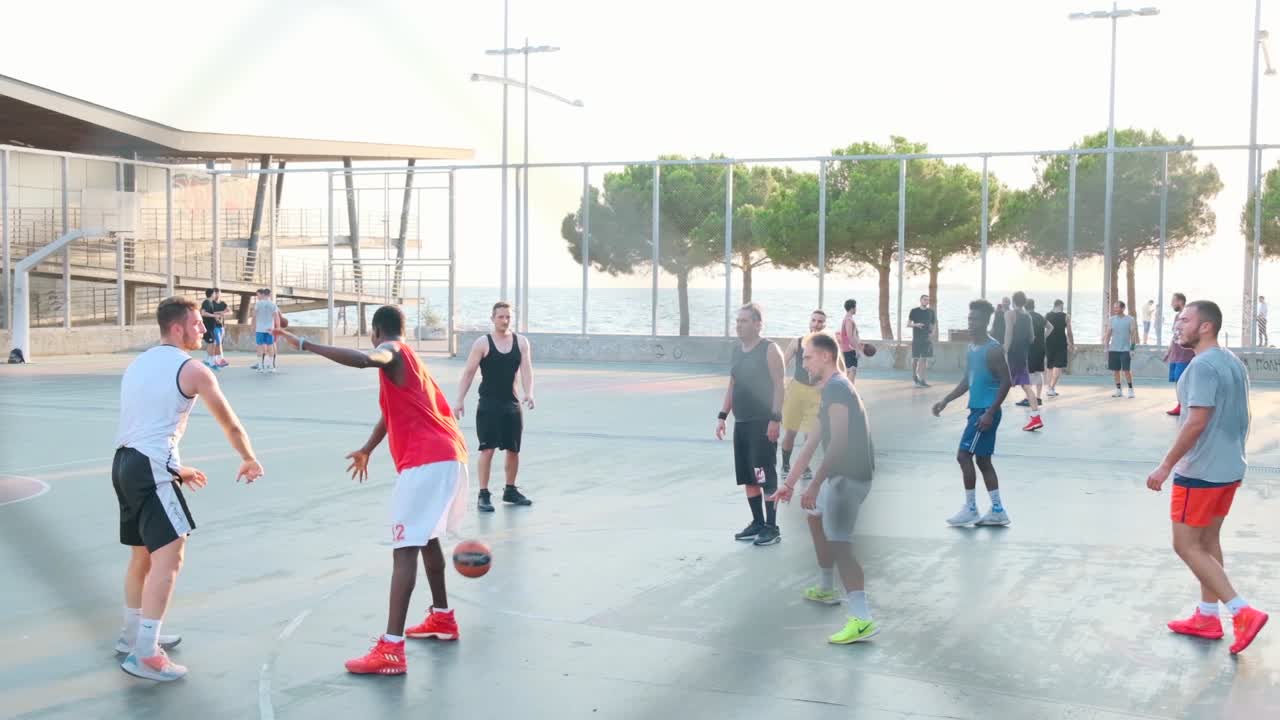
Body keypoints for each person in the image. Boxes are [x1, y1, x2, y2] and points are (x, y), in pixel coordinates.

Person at [275, 306, 470, 675]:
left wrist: (304, 343)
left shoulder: (392, 351)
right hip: (447, 456)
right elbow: (389, 416)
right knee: (426, 538)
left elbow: (369, 359)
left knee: (404, 550)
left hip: (427, 461)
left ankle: (391, 649)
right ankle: (442, 618)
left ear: (376, 331)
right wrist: (367, 448)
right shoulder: (411, 366)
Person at [114, 297, 263, 681]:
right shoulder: (194, 369)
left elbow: (142, 427)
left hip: (126, 464)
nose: (203, 329)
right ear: (177, 328)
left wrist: (176, 468)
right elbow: (229, 422)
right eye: (197, 324)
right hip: (150, 467)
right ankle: (146, 654)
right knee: (171, 556)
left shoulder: (138, 364)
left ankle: (134, 636)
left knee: (143, 557)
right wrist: (248, 457)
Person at [1145, 300, 1268, 655]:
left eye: (1184, 319)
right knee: (1208, 542)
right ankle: (1207, 615)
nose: (1177, 324)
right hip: (1229, 469)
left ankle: (1241, 611)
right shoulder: (1231, 361)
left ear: (1205, 327)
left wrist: (1166, 465)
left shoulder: (1201, 367)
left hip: (1200, 471)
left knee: (1185, 544)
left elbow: (1196, 421)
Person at [770, 332, 878, 645]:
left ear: (826, 357)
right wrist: (789, 485)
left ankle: (862, 619)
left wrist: (814, 485)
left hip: (849, 478)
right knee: (815, 518)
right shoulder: (829, 389)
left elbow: (840, 442)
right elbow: (815, 439)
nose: (802, 363)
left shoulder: (838, 389)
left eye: (807, 357)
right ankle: (827, 586)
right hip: (840, 477)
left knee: (842, 545)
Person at [932, 299, 1013, 527]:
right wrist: (946, 400)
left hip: (985, 413)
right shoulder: (971, 348)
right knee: (983, 460)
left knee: (963, 456)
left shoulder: (993, 349)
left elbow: (1008, 381)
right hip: (976, 410)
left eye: (975, 319)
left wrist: (990, 412)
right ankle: (997, 509)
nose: (971, 323)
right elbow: (968, 381)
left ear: (985, 321)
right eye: (969, 318)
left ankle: (971, 508)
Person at [717, 303, 786, 547]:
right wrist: (723, 415)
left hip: (762, 424)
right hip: (742, 423)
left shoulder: (769, 350)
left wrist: (775, 419)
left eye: (744, 321)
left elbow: (780, 386)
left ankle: (772, 526)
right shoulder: (737, 351)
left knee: (764, 475)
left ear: (758, 324)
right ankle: (757, 522)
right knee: (748, 476)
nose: (739, 325)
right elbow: (732, 385)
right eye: (737, 321)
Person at [455, 301, 534, 511]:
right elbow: (469, 372)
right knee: (487, 450)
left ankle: (510, 490)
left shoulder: (522, 342)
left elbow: (526, 370)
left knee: (513, 450)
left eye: (508, 317)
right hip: (489, 405)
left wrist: (529, 392)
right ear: (493, 319)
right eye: (501, 317)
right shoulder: (483, 343)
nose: (505, 320)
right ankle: (483, 494)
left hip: (512, 404)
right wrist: (460, 400)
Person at [781, 310, 828, 481]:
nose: (816, 324)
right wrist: (780, 383)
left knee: (810, 434)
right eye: (814, 320)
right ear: (809, 322)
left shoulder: (828, 347)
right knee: (791, 432)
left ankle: (803, 465)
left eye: (820, 321)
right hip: (796, 391)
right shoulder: (797, 342)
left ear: (825, 325)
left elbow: (836, 370)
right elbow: (782, 364)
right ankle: (785, 464)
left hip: (816, 393)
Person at [1002, 292, 1043, 431]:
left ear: (1013, 301)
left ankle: (987, 414)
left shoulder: (1009, 314)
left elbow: (1008, 333)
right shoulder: (1028, 317)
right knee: (1026, 387)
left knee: (999, 383)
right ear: (1024, 303)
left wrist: (1005, 351)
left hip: (1012, 355)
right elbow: (1032, 338)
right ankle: (1036, 418)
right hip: (1023, 356)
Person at [1164, 293, 1194, 416]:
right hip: (1176, 354)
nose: (1171, 304)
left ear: (1180, 302)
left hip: (1185, 355)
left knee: (1183, 381)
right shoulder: (1177, 316)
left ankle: (1186, 406)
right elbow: (1175, 335)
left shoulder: (1189, 317)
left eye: (1173, 301)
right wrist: (1169, 351)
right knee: (1177, 381)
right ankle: (1180, 405)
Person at [1103, 301, 1139, 398]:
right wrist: (1106, 348)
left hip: (1125, 350)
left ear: (1123, 308)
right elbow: (1108, 334)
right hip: (1113, 349)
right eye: (1114, 307)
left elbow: (1133, 334)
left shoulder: (1130, 319)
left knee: (1126, 370)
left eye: (1117, 307)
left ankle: (1131, 390)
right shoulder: (1112, 319)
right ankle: (1118, 390)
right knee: (1115, 370)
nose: (1115, 309)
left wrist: (1132, 349)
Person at [1019, 298, 1047, 406]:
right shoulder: (1040, 316)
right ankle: (1038, 397)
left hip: (1029, 348)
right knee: (1038, 372)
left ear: (1025, 307)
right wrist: (1042, 338)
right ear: (1034, 306)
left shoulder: (1025, 317)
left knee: (1028, 373)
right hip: (1040, 348)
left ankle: (1028, 398)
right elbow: (1050, 327)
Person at [1043, 300, 1073, 397]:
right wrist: (1071, 343)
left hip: (1049, 343)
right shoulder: (1066, 316)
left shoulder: (1047, 315)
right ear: (1061, 305)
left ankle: (1049, 388)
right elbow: (1069, 332)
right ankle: (1051, 388)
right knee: (1058, 366)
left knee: (1049, 367)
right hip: (1061, 343)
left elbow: (1042, 329)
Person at [909, 294, 937, 388]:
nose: (926, 301)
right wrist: (916, 325)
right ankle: (914, 375)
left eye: (928, 300)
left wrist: (932, 333)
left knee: (924, 359)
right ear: (920, 300)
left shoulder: (931, 312)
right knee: (915, 359)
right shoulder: (914, 311)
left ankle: (922, 380)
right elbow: (908, 324)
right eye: (925, 300)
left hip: (926, 339)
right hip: (916, 339)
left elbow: (934, 323)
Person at [252, 289, 283, 373]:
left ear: (263, 294)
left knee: (259, 346)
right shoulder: (273, 304)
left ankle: (260, 367)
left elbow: (254, 316)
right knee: (270, 346)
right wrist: (278, 328)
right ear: (269, 294)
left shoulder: (258, 304)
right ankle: (271, 367)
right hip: (270, 329)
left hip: (259, 328)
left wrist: (253, 326)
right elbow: (276, 317)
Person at [199, 288, 229, 368]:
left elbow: (211, 314)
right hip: (208, 327)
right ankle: (212, 361)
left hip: (212, 326)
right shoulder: (206, 302)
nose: (216, 294)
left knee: (212, 343)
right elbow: (203, 313)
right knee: (212, 343)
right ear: (212, 294)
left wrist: (216, 318)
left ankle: (209, 360)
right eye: (215, 293)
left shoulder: (211, 303)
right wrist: (214, 315)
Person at [838, 299, 861, 384]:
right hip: (850, 349)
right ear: (852, 308)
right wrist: (857, 350)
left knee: (850, 371)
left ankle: (848, 393)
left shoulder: (848, 319)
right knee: (852, 371)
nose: (856, 309)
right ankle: (850, 393)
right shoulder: (848, 320)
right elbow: (850, 336)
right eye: (855, 307)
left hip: (848, 349)